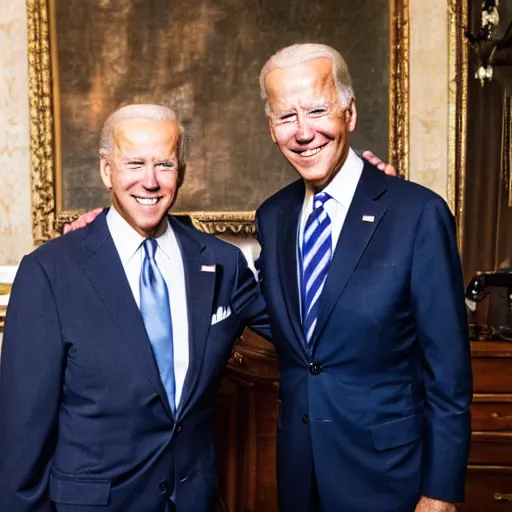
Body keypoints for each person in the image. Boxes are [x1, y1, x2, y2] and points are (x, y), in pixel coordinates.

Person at [0, 104, 270, 512]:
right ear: (107, 171)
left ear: (182, 171)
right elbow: (22, 434)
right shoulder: (50, 272)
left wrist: (353, 190)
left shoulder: (221, 262)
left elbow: (304, 324)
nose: (150, 181)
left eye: (165, 164)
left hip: (192, 500)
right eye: (135, 163)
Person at [255, 43, 472, 512]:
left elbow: (448, 372)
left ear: (349, 113)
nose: (303, 131)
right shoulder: (272, 217)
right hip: (300, 473)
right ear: (272, 130)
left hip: (391, 478)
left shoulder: (418, 213)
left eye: (317, 109)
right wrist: (109, 232)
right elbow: (273, 313)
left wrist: (441, 490)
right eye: (285, 116)